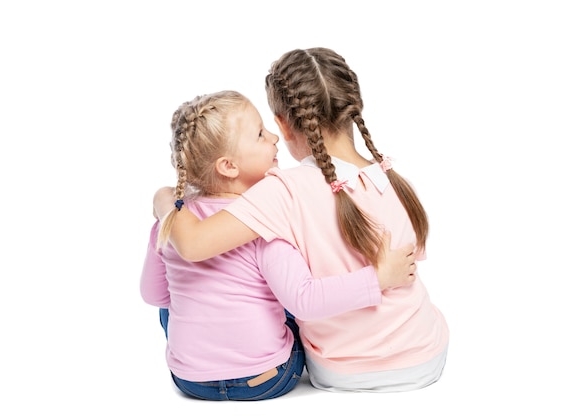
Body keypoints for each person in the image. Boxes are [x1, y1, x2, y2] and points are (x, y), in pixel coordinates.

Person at [153, 48, 449, 393]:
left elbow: (192, 244)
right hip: (427, 358)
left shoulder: (282, 191)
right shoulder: (395, 180)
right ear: (354, 107)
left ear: (282, 123)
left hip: (340, 370)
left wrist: (163, 199)